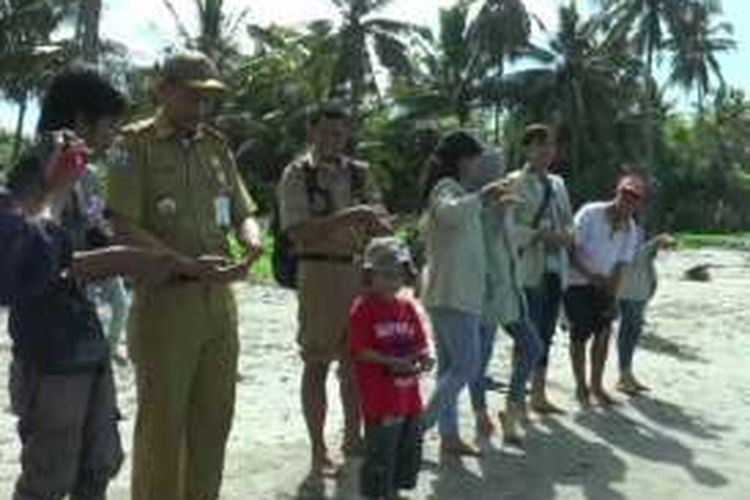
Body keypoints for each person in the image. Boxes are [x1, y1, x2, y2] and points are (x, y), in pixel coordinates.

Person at [106, 52, 264, 500]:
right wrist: (183, 264)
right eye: (192, 94)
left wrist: (251, 241)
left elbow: (243, 210)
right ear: (164, 89)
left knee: (214, 421)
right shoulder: (133, 145)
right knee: (162, 427)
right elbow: (123, 223)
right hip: (165, 302)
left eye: (208, 97)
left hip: (218, 304)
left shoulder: (216, 146)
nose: (201, 105)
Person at [5, 119, 186, 498]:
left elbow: (94, 241)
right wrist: (58, 191)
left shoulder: (75, 196)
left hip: (88, 350)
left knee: (99, 463)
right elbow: (38, 260)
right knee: (49, 477)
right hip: (50, 359)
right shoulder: (15, 209)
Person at [278, 102, 391, 473]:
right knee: (317, 362)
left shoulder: (360, 174)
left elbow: (380, 220)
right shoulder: (297, 174)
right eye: (326, 132)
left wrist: (379, 225)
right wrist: (353, 216)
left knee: (357, 363)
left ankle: (352, 437)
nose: (333, 140)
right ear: (311, 132)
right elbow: (298, 232)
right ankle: (317, 449)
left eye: (340, 133)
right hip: (319, 273)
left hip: (359, 273)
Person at [420, 131, 516, 456]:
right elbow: (448, 213)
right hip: (452, 295)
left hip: (455, 294)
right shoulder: (446, 189)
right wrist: (483, 196)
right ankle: (418, 428)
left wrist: (491, 206)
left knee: (451, 370)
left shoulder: (461, 192)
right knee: (466, 366)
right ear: (464, 160)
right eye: (477, 159)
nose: (480, 166)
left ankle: (448, 437)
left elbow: (469, 240)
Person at [350, 236, 433, 500]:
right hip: (381, 399)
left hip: (409, 398)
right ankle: (376, 494)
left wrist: (425, 355)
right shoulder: (363, 308)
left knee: (408, 447)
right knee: (381, 451)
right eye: (384, 275)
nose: (391, 281)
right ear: (369, 276)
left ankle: (395, 491)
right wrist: (392, 362)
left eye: (397, 275)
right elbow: (360, 350)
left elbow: (421, 342)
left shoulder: (407, 307)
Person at [470, 154, 544, 446]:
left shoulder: (507, 206)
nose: (502, 181)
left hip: (512, 292)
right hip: (486, 294)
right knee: (480, 361)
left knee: (533, 346)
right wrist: (494, 212)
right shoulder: (475, 206)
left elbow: (511, 241)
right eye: (496, 175)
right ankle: (480, 415)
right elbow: (477, 248)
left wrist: (536, 233)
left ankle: (511, 410)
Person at [508, 124, 574, 414]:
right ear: (528, 148)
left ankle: (539, 392)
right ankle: (517, 396)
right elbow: (508, 226)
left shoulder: (558, 183)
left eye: (551, 145)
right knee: (528, 335)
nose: (548, 151)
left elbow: (568, 219)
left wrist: (567, 236)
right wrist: (539, 236)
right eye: (541, 145)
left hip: (555, 267)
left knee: (546, 332)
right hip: (528, 267)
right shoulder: (515, 181)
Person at [565, 174, 645, 406]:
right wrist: (590, 275)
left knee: (603, 335)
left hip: (605, 286)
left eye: (634, 198)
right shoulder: (591, 213)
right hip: (577, 282)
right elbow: (571, 249)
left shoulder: (630, 228)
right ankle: (581, 386)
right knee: (579, 336)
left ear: (639, 203)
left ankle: (597, 385)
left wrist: (613, 296)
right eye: (626, 194)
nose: (628, 201)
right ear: (617, 193)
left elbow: (621, 265)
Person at [617, 220, 676, 394]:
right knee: (628, 332)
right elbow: (631, 258)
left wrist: (659, 245)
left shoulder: (639, 229)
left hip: (640, 290)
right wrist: (656, 242)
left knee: (632, 332)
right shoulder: (624, 229)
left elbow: (650, 261)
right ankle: (624, 375)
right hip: (628, 290)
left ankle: (626, 374)